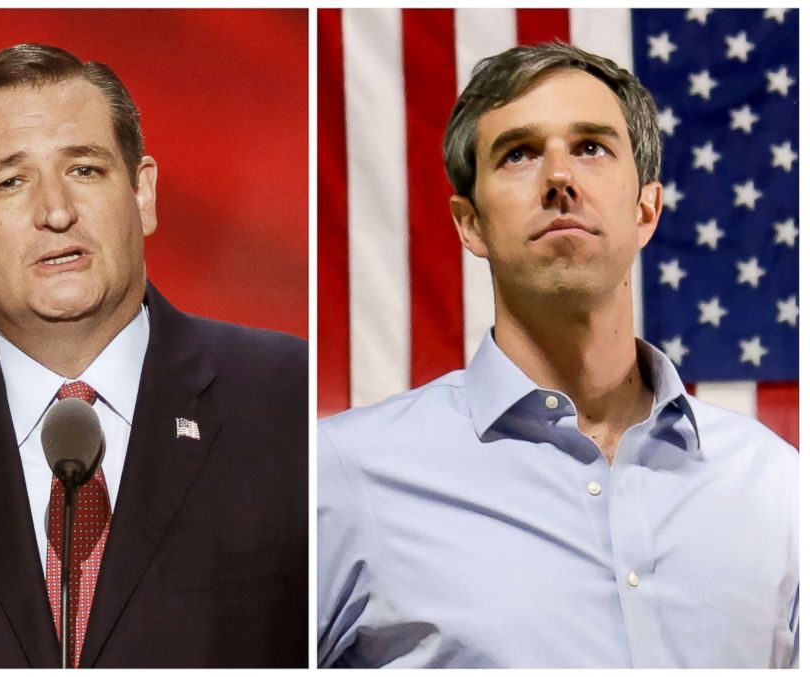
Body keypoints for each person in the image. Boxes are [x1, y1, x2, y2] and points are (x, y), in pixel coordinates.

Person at [317, 41, 797, 669]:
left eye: (591, 147)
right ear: (470, 225)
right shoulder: (345, 477)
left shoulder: (775, 486)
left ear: (646, 208)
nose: (559, 178)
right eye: (518, 154)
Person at [0, 43, 307, 668]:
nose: (56, 212)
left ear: (142, 194)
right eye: (10, 182)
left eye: (84, 170)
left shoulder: (287, 401)